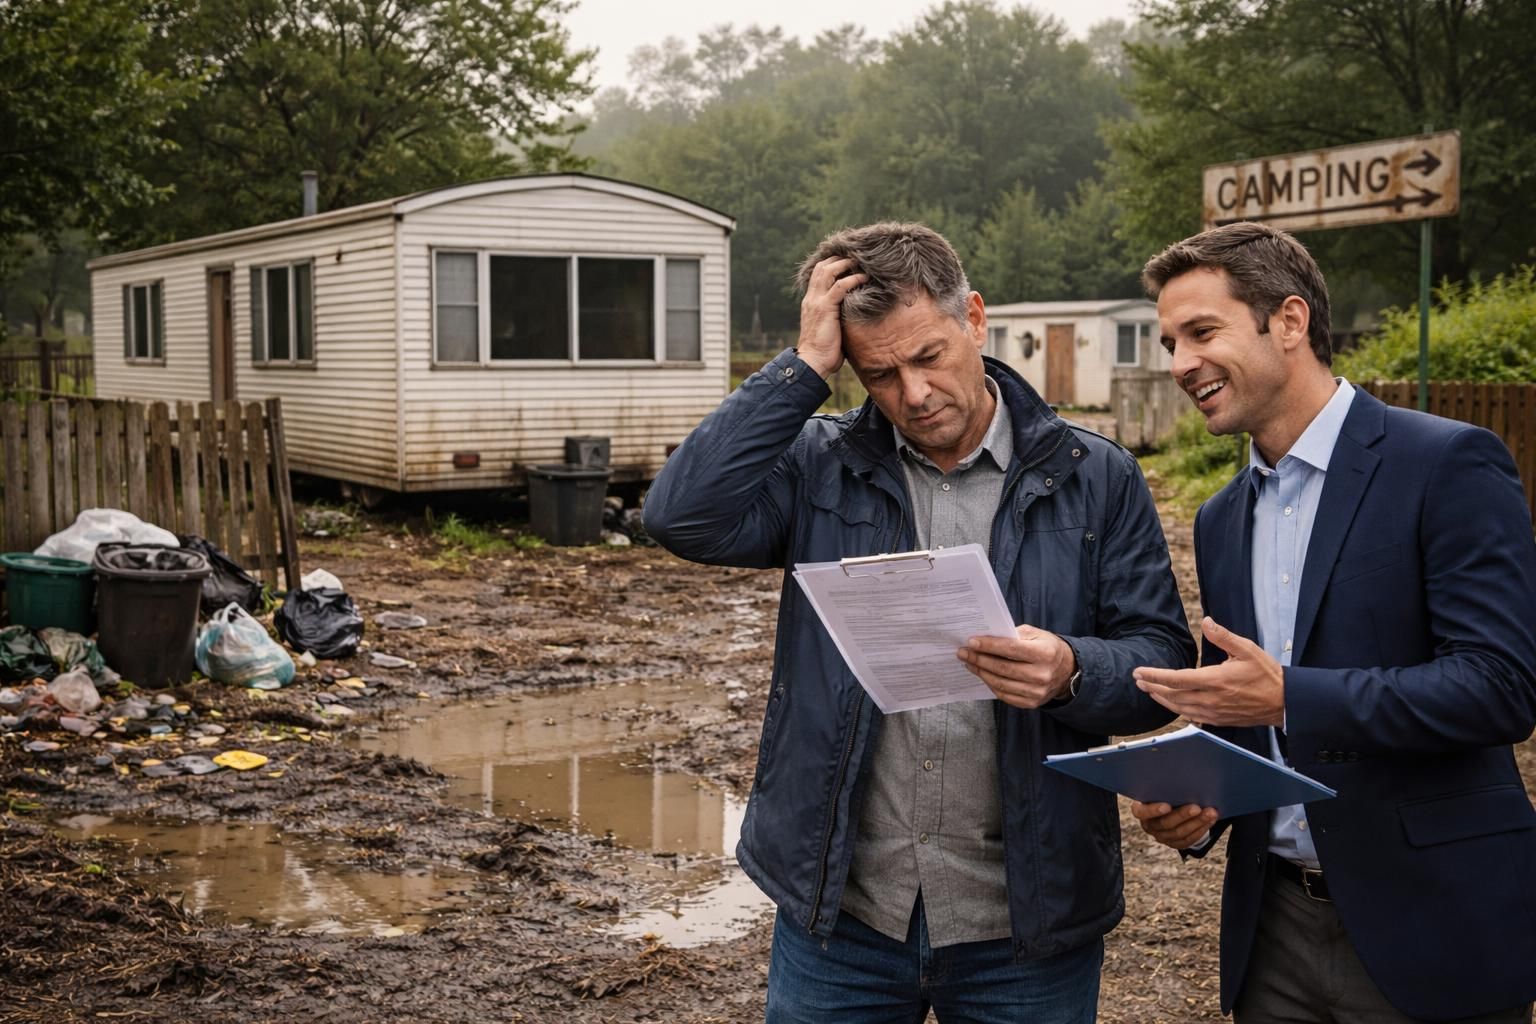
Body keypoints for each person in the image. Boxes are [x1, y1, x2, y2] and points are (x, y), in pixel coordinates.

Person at [644, 222, 1195, 1023]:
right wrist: (803, 369)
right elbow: (680, 518)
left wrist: (1072, 671)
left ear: (974, 317)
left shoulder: (1094, 476)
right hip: (845, 918)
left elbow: (1161, 663)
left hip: (1025, 924)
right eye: (879, 375)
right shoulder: (819, 464)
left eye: (928, 356)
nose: (913, 394)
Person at [1130, 221, 1536, 1023]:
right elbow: (1253, 722)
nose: (1179, 364)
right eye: (1171, 341)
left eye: (1201, 332)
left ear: (1288, 322)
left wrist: (1290, 697)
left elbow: (1502, 688)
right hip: (1272, 930)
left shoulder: (1449, 463)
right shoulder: (1218, 520)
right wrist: (1195, 806)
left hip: (1434, 926)